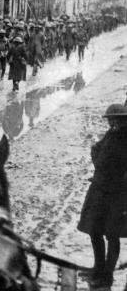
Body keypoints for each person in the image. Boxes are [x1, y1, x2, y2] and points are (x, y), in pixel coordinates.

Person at [77, 104, 127, 288]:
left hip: (118, 194)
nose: (112, 122)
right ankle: (98, 268)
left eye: (116, 119)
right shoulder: (111, 134)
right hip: (100, 189)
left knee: (112, 235)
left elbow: (100, 156)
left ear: (124, 119)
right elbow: (98, 156)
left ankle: (107, 275)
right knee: (94, 230)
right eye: (110, 119)